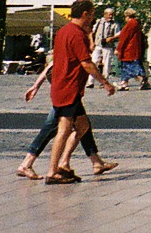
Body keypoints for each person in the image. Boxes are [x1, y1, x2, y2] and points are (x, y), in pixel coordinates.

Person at [46, 0, 118, 184]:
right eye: (92, 14)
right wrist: (105, 82)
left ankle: (64, 163)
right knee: (64, 129)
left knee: (83, 125)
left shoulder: (63, 31)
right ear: (85, 14)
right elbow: (86, 63)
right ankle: (52, 172)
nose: (93, 18)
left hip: (65, 86)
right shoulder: (76, 34)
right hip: (68, 87)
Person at [14, 51, 117, 179]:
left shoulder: (73, 40)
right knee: (52, 127)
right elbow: (55, 65)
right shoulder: (76, 40)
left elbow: (51, 65)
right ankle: (29, 164)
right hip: (67, 91)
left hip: (68, 91)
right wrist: (105, 83)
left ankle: (94, 162)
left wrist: (36, 86)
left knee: (83, 125)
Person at [114, 9, 149, 90]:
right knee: (126, 67)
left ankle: (143, 79)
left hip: (129, 49)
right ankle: (124, 83)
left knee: (131, 66)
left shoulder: (130, 24)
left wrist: (118, 48)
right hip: (134, 49)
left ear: (127, 16)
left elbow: (124, 37)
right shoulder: (136, 23)